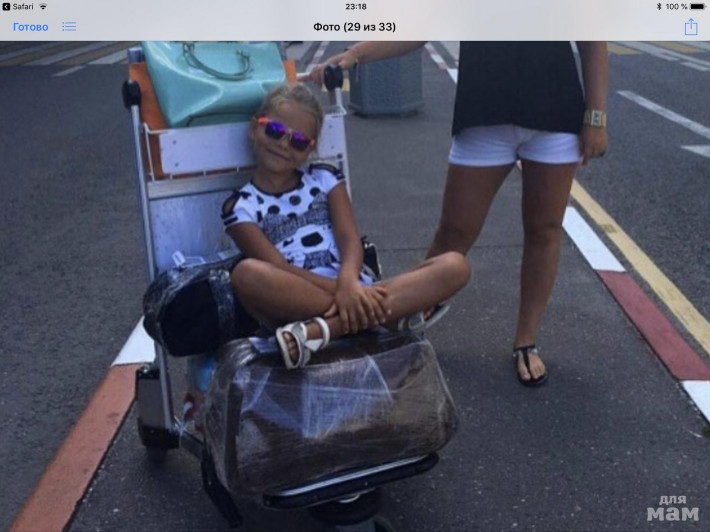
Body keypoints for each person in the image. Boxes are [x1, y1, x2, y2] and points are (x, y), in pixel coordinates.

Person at [307, 42, 608, 386]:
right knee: (453, 233)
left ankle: (526, 340)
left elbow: (592, 41)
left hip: (555, 113)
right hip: (484, 114)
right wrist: (356, 54)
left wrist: (596, 117)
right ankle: (402, 330)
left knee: (545, 229)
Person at [221, 83, 471, 368]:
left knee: (456, 265)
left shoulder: (324, 177)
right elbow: (278, 267)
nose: (283, 144)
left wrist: (351, 282)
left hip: (352, 283)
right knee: (246, 274)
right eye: (275, 131)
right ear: (255, 128)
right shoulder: (240, 207)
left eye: (298, 141)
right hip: (297, 295)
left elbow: (349, 239)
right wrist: (345, 292)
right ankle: (384, 316)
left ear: (309, 149)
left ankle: (325, 330)